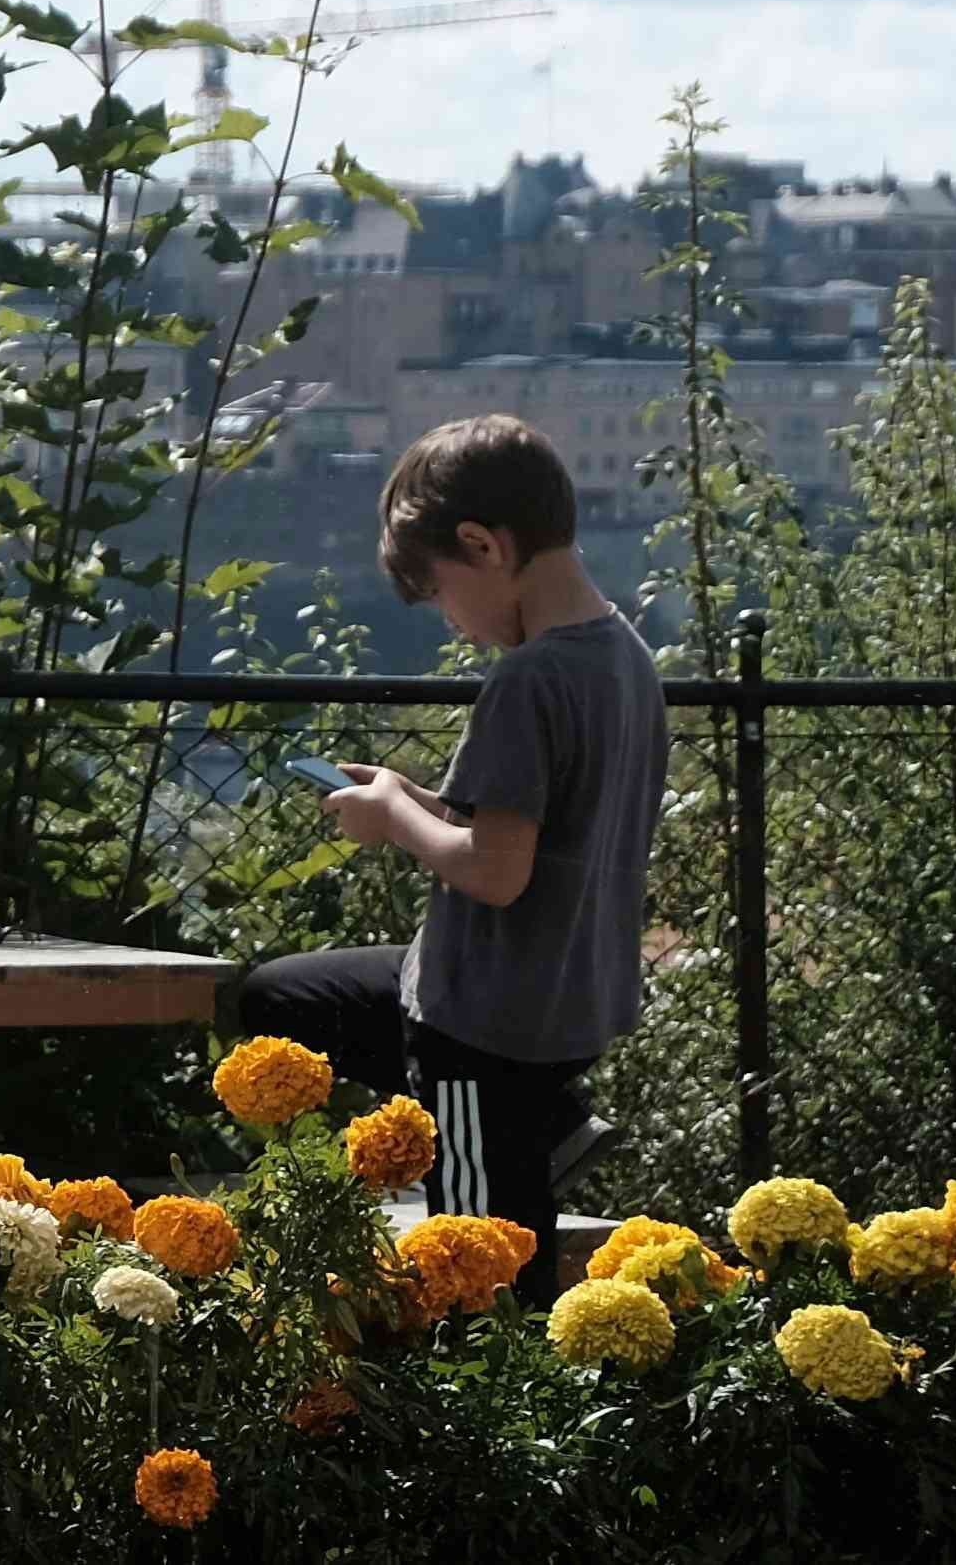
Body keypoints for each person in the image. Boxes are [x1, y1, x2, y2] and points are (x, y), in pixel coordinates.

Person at [239, 414, 666, 1298]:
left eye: (438, 591)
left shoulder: (527, 678)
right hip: (566, 998)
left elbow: (493, 873)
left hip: (483, 1024)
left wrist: (393, 816)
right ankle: (547, 1125)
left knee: (477, 1270)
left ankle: (498, 1388)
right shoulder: (623, 655)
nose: (451, 621)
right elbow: (529, 839)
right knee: (280, 998)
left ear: (480, 544)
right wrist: (410, 794)